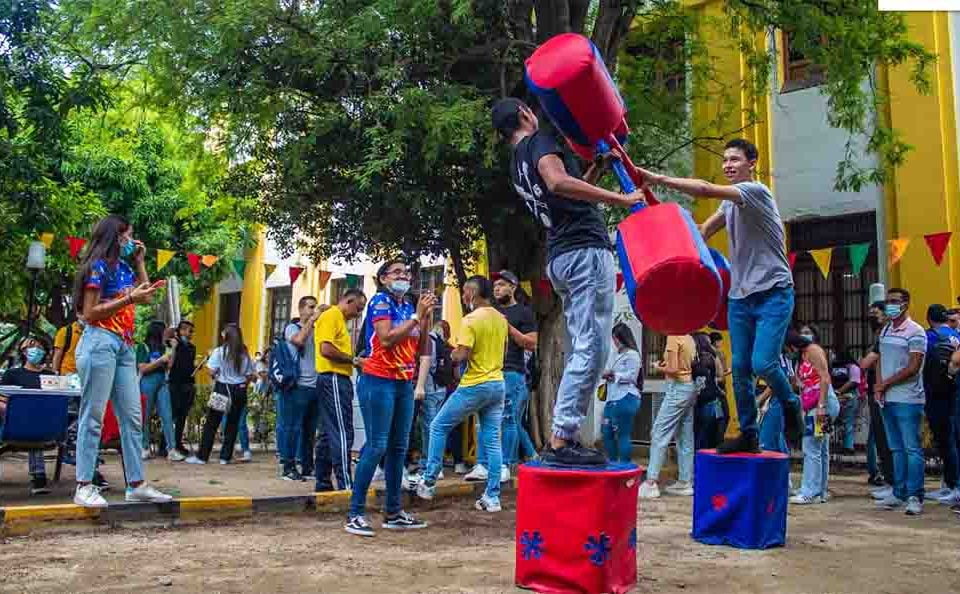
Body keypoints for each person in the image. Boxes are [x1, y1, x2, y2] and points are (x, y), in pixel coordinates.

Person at [492, 98, 644, 466]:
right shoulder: (539, 142)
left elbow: (563, 194)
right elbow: (559, 182)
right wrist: (621, 199)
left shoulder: (517, 164)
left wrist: (595, 171)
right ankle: (562, 438)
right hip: (584, 251)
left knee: (585, 347)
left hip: (560, 254)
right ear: (527, 114)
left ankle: (564, 435)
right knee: (592, 348)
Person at [637, 138, 804, 454]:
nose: (728, 165)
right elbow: (701, 231)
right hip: (741, 296)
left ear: (751, 163)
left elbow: (702, 188)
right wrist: (658, 221)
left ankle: (791, 402)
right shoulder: (729, 204)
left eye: (735, 160)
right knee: (740, 368)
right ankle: (749, 433)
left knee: (763, 362)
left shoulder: (756, 192)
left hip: (774, 292)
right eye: (725, 160)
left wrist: (658, 178)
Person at [72, 214, 172, 507]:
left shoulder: (126, 268)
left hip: (125, 346)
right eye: (128, 235)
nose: (132, 240)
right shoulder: (97, 267)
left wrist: (141, 262)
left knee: (132, 417)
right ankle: (84, 484)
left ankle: (137, 483)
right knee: (93, 416)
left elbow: (148, 296)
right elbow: (90, 313)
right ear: (116, 237)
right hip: (99, 341)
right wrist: (129, 300)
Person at [346, 259, 436, 537]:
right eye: (397, 272)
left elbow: (421, 346)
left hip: (402, 382)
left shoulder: (409, 306)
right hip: (378, 379)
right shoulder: (380, 302)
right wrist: (415, 317)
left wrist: (425, 318)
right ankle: (355, 513)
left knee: (399, 447)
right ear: (383, 278)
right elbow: (385, 339)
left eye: (406, 273)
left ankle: (394, 512)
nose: (404, 276)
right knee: (377, 445)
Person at [417, 276, 508, 513]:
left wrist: (452, 355)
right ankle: (493, 496)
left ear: (472, 292)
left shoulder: (471, 320)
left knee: (438, 426)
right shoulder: (501, 319)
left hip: (475, 383)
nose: (464, 297)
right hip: (497, 383)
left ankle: (428, 480)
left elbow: (463, 353)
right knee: (492, 441)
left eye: (466, 293)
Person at [467, 270, 537, 482]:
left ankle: (505, 464)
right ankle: (482, 464)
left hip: (512, 372)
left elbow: (531, 343)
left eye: (502, 285)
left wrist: (507, 327)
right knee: (483, 419)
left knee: (508, 419)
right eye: (495, 285)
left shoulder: (524, 313)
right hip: (486, 370)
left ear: (513, 287)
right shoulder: (490, 311)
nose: (497, 289)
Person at [873, 288, 927, 515]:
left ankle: (915, 495)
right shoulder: (885, 330)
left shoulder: (916, 331)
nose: (890, 305)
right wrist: (878, 385)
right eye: (888, 302)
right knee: (896, 448)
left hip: (908, 398)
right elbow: (879, 360)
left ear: (906, 303)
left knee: (911, 448)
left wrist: (887, 383)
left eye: (894, 301)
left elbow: (914, 367)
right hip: (887, 398)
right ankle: (899, 492)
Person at [314, 288, 367, 492]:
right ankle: (345, 482)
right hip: (334, 377)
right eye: (358, 308)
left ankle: (323, 481)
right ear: (349, 300)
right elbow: (326, 349)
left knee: (328, 433)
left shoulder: (339, 320)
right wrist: (353, 360)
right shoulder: (332, 316)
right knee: (343, 432)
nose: (358, 314)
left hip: (335, 378)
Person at [639, 333, 698, 499]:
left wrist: (658, 367)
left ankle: (650, 483)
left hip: (677, 388)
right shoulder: (689, 337)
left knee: (659, 432)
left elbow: (673, 369)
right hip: (689, 387)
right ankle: (685, 482)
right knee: (685, 437)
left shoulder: (674, 337)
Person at [187, 323, 256, 465]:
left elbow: (211, 371)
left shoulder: (219, 351)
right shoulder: (244, 354)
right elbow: (249, 375)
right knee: (233, 424)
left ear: (226, 336)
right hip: (239, 390)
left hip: (222, 389)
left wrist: (216, 372)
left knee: (212, 423)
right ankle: (225, 457)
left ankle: (202, 456)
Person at [788, 329, 841, 505]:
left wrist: (821, 406)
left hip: (821, 406)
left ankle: (809, 491)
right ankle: (820, 491)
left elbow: (825, 378)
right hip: (815, 406)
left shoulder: (814, 351)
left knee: (811, 448)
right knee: (821, 448)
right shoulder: (802, 355)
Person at [1, 337, 57, 495]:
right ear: (23, 351)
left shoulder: (51, 377)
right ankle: (38, 475)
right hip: (15, 421)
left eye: (40, 347)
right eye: (31, 346)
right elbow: (2, 400)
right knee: (31, 420)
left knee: (36, 420)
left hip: (45, 423)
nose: (35, 349)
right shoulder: (12, 375)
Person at [277, 296, 322, 481]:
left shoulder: (317, 330)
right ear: (301, 309)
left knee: (310, 430)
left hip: (315, 386)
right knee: (292, 427)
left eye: (315, 307)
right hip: (297, 386)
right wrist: (312, 320)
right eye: (310, 307)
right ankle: (288, 467)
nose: (313, 310)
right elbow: (299, 341)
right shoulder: (291, 328)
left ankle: (307, 466)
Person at [922, 304, 960, 505]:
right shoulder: (956, 334)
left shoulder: (929, 337)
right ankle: (951, 484)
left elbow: (922, 363)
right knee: (952, 439)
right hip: (954, 392)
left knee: (946, 441)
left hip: (937, 393)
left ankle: (953, 485)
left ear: (929, 318)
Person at [861, 302, 895, 489]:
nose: (873, 316)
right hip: (875, 390)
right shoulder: (878, 337)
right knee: (877, 437)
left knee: (888, 438)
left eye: (877, 313)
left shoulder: (888, 336)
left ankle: (894, 481)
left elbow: (866, 363)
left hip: (887, 391)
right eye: (871, 313)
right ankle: (886, 478)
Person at [137, 320, 179, 461]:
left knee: (167, 414)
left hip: (162, 380)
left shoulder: (163, 347)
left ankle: (171, 449)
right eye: (165, 331)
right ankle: (144, 447)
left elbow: (169, 366)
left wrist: (173, 349)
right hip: (148, 380)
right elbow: (142, 368)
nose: (167, 333)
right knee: (145, 415)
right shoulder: (143, 347)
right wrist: (160, 361)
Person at [601, 323, 642, 463]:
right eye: (613, 338)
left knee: (623, 433)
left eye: (617, 338)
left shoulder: (633, 355)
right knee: (606, 432)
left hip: (626, 397)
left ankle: (624, 465)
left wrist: (615, 375)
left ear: (624, 337)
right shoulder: (614, 354)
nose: (615, 342)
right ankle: (612, 462)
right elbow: (606, 369)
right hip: (612, 397)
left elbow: (632, 376)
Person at [417, 321, 452, 479]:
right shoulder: (442, 342)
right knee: (438, 429)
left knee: (429, 429)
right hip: (442, 388)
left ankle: (429, 465)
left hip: (430, 389)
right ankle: (437, 465)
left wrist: (420, 386)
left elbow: (428, 364)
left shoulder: (429, 340)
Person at [757, 350, 797, 455]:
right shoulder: (784, 359)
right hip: (776, 401)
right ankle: (783, 466)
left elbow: (778, 381)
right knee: (777, 436)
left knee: (767, 439)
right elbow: (792, 380)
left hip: (773, 402)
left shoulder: (775, 357)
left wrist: (760, 399)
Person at [168, 320, 198, 458]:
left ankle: (178, 443)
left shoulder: (192, 347)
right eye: (187, 330)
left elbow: (190, 364)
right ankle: (167, 443)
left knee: (182, 416)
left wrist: (196, 367)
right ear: (180, 331)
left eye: (191, 331)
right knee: (172, 413)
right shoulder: (173, 344)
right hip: (175, 383)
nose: (190, 334)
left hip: (188, 383)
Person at [692, 332, 725, 451]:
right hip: (713, 400)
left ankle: (698, 462)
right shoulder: (713, 357)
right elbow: (721, 376)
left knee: (700, 435)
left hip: (701, 401)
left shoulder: (696, 359)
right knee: (711, 435)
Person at [831, 350, 862, 456]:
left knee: (847, 421)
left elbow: (854, 381)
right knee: (848, 422)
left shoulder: (850, 366)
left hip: (845, 397)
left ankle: (847, 446)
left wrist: (838, 391)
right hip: (837, 396)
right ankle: (847, 446)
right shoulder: (851, 367)